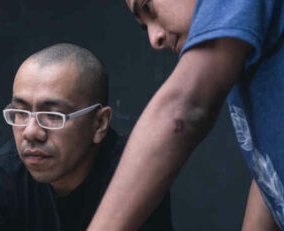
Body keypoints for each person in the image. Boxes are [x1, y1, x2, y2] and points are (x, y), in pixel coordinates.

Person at [88, 0, 283, 230]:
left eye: (149, 8)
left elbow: (183, 109)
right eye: (145, 26)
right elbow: (268, 164)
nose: (154, 38)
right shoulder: (244, 52)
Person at [0, 43, 174, 231]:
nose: (31, 132)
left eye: (52, 116)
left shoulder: (136, 174)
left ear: (99, 123)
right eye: (21, 113)